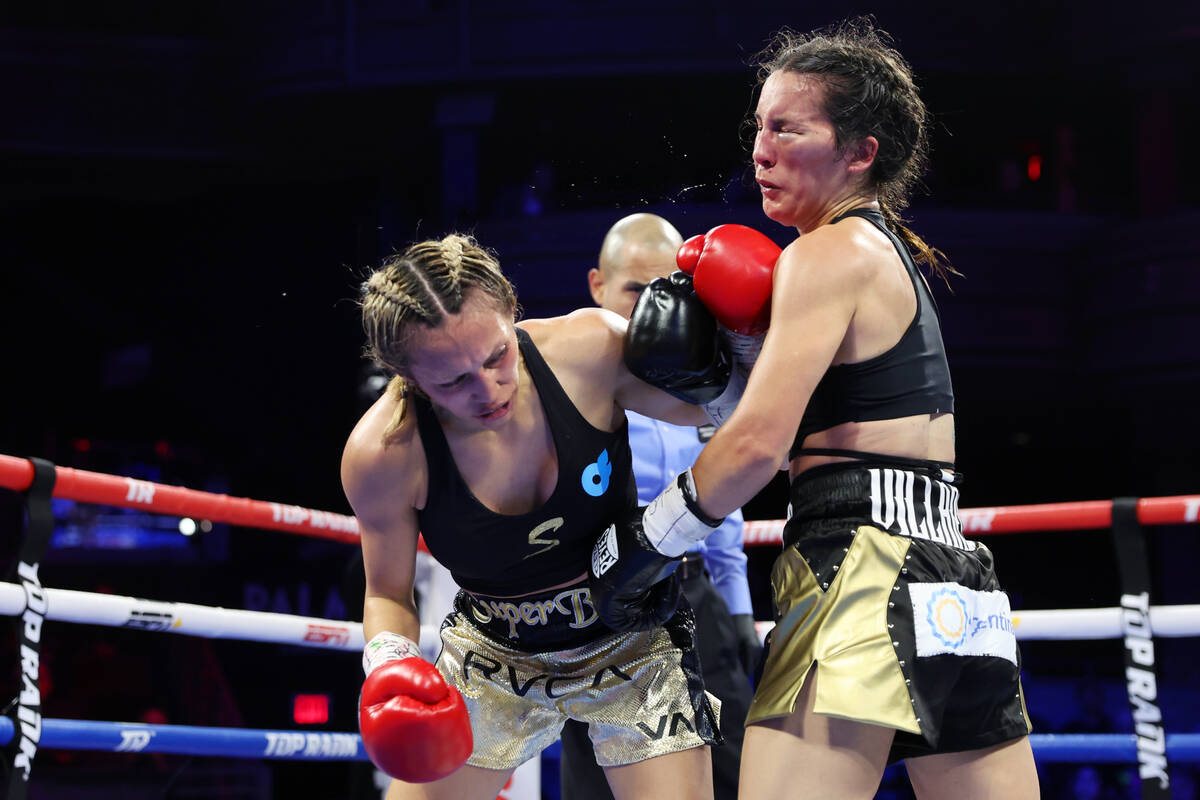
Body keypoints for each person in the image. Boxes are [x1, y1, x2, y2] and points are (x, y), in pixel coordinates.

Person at [590, 18, 1040, 799]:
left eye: (787, 129)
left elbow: (760, 445)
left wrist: (648, 541)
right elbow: (787, 422)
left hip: (862, 568)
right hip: (952, 585)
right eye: (757, 127)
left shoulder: (823, 254)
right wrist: (724, 381)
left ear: (859, 152)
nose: (759, 150)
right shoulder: (882, 250)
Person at [340, 233, 730, 800]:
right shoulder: (385, 453)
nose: (488, 387)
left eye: (497, 355)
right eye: (452, 381)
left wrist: (740, 337)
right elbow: (387, 594)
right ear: (408, 376)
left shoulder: (590, 350)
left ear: (510, 309)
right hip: (494, 658)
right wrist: (389, 663)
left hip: (634, 643)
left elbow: (730, 410)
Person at [558, 213, 757, 800]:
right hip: (595, 605)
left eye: (666, 289)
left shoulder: (702, 375)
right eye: (633, 291)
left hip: (697, 599)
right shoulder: (569, 380)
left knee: (735, 774)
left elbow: (725, 500)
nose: (651, 306)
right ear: (597, 286)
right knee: (599, 782)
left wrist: (739, 609)